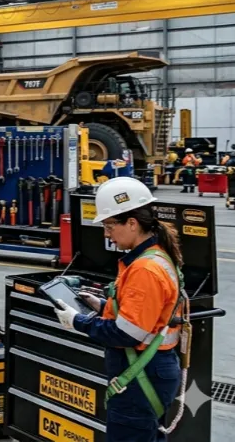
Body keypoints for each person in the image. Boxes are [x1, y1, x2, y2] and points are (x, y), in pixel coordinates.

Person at [53, 177, 185, 442]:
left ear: (132, 223)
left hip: (141, 375)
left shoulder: (145, 269)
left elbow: (128, 333)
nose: (106, 233)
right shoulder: (153, 257)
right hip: (152, 372)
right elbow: (147, 315)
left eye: (110, 225)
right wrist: (103, 305)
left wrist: (78, 321)